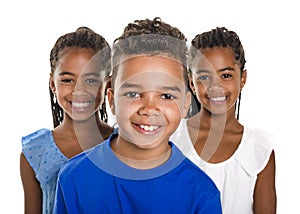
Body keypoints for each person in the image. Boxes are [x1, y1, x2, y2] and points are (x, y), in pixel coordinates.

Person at [53, 17, 222, 214]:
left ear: (185, 105)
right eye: (133, 94)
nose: (149, 109)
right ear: (112, 100)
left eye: (166, 96)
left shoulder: (201, 192)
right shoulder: (73, 178)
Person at [171, 27, 276, 213]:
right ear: (191, 83)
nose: (215, 87)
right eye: (204, 77)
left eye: (226, 75)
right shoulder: (172, 140)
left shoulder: (259, 148)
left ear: (242, 78)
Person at [20, 27, 114, 214]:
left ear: (107, 85)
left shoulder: (124, 145)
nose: (78, 91)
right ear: (53, 85)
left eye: (91, 80)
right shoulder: (35, 152)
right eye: (67, 80)